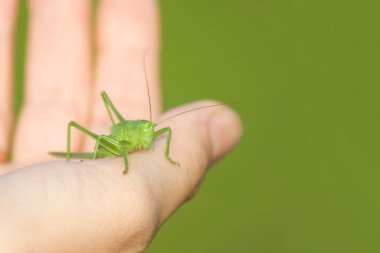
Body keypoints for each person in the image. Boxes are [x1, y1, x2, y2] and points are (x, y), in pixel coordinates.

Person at [0, 1, 242, 252]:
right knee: (75, 124)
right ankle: (70, 157)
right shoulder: (123, 142)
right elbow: (122, 144)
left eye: (150, 130)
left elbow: (167, 131)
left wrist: (167, 156)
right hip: (112, 144)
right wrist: (125, 163)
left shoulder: (152, 131)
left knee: (165, 129)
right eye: (147, 131)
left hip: (124, 136)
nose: (149, 135)